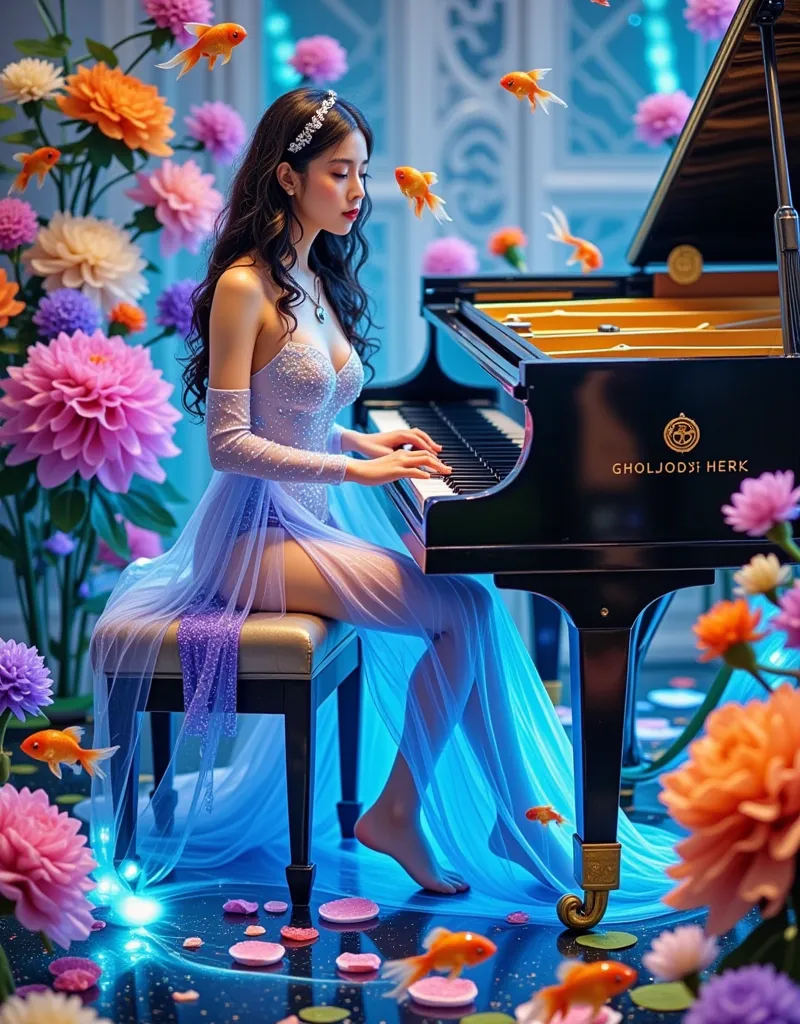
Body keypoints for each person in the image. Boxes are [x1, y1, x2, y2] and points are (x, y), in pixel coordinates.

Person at [89, 86, 679, 921]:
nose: (360, 191)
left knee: (468, 605)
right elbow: (229, 445)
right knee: (462, 609)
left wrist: (364, 444)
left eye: (363, 171)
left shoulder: (310, 272)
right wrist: (360, 476)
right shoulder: (244, 286)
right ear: (288, 178)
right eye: (340, 172)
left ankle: (485, 815)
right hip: (251, 536)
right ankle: (419, 812)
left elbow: (298, 415)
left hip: (305, 517)